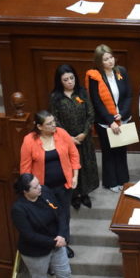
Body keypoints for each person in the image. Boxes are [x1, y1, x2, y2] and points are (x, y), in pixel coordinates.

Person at [11, 173, 87, 278]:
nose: (40, 187)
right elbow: (29, 235)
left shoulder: (45, 191)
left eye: (39, 184)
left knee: (64, 273)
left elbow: (61, 213)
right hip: (35, 251)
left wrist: (62, 235)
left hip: (57, 242)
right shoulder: (19, 209)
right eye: (35, 187)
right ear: (25, 191)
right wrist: (54, 242)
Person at [20, 110, 80, 258]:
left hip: (64, 186)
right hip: (43, 189)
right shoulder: (29, 140)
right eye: (49, 124)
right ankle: (51, 247)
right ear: (39, 127)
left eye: (54, 122)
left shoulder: (61, 133)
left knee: (64, 215)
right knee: (48, 218)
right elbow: (25, 169)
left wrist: (75, 176)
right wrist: (29, 189)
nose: (54, 125)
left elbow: (74, 154)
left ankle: (64, 244)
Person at [49, 64, 99, 210]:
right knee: (70, 167)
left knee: (85, 165)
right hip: (66, 140)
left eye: (72, 78)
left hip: (84, 138)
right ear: (60, 81)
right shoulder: (55, 97)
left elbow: (91, 114)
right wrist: (69, 137)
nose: (70, 82)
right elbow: (55, 120)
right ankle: (74, 195)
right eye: (66, 79)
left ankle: (84, 193)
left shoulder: (82, 92)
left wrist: (84, 133)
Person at [85, 44, 132, 192]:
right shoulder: (95, 77)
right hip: (105, 122)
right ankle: (111, 182)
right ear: (99, 62)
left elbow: (128, 95)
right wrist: (110, 121)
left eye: (111, 57)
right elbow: (96, 101)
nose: (110, 61)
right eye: (106, 59)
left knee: (121, 150)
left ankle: (123, 180)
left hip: (122, 118)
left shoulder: (122, 71)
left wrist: (122, 113)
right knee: (109, 152)